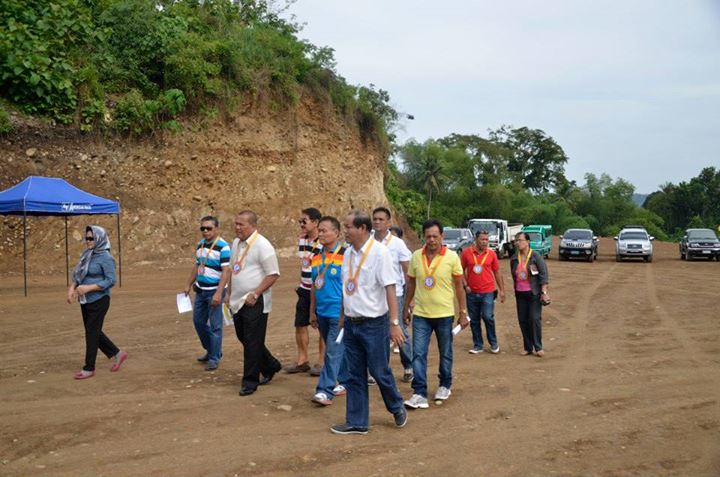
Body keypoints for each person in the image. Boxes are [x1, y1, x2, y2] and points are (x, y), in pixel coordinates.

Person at [330, 210, 408, 435]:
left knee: (379, 370)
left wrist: (394, 323)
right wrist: (344, 315)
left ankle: (396, 406)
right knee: (354, 374)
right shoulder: (347, 254)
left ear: (362, 229)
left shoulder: (380, 253)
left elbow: (390, 288)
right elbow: (348, 287)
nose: (345, 231)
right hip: (353, 324)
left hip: (374, 324)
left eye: (348, 227)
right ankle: (357, 422)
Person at [403, 219, 468, 409]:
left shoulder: (452, 257)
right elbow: (411, 285)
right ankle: (419, 393)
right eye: (428, 236)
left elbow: (459, 287)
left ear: (442, 236)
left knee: (445, 353)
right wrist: (406, 307)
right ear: (424, 236)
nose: (431, 240)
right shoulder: (416, 256)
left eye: (435, 236)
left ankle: (444, 385)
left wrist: (462, 312)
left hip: (444, 314)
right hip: (421, 314)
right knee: (418, 354)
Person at [227, 210, 283, 396]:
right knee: (244, 337)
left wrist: (256, 292)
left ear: (253, 226)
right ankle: (270, 365)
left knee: (252, 341)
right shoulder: (236, 243)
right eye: (236, 224)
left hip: (255, 301)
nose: (237, 228)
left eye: (241, 224)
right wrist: (228, 292)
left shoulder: (263, 245)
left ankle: (250, 381)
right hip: (237, 300)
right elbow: (232, 270)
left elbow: (273, 273)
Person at [67, 225, 127, 380]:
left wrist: (88, 288)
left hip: (99, 300)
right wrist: (72, 288)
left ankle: (89, 368)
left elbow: (111, 280)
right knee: (93, 331)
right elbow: (77, 274)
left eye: (91, 238)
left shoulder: (106, 257)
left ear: (99, 238)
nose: (88, 241)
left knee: (91, 332)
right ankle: (117, 353)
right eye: (86, 238)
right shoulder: (87, 254)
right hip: (85, 300)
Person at [183, 216, 231, 371]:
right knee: (198, 322)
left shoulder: (223, 247)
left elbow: (226, 272)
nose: (205, 231)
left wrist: (219, 293)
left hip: (214, 291)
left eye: (209, 228)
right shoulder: (200, 245)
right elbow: (198, 266)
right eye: (202, 228)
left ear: (217, 229)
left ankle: (214, 357)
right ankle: (212, 350)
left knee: (216, 326)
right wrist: (188, 284)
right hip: (201, 290)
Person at [309, 216, 347, 405]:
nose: (320, 234)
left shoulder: (347, 255)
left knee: (331, 351)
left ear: (336, 233)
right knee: (337, 350)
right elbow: (314, 286)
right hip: (322, 312)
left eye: (324, 231)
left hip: (338, 313)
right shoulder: (316, 257)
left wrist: (346, 312)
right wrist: (312, 311)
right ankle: (347, 380)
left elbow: (351, 286)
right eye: (319, 231)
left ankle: (324, 390)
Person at [372, 207, 413, 383]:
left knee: (398, 330)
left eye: (381, 219)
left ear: (389, 222)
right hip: (374, 296)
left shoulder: (397, 244)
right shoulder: (368, 243)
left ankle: (410, 365)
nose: (377, 222)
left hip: (394, 294)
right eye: (375, 219)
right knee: (376, 333)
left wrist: (409, 300)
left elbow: (407, 272)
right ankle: (380, 371)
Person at [285, 207, 325, 376]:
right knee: (300, 324)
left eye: (304, 221)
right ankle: (303, 360)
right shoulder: (302, 240)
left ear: (315, 222)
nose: (301, 224)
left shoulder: (324, 242)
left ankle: (322, 362)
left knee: (323, 326)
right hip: (304, 289)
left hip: (320, 290)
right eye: (300, 221)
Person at [460, 230, 506, 354]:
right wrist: (465, 285)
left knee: (487, 316)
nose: (485, 242)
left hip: (488, 291)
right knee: (474, 320)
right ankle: (478, 345)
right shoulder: (466, 253)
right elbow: (460, 270)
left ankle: (493, 342)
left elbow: (497, 272)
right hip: (472, 292)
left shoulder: (491, 254)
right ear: (476, 239)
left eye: (487, 239)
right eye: (482, 239)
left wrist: (502, 290)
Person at [510, 232, 550, 357]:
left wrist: (544, 292)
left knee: (534, 319)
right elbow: (514, 276)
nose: (518, 243)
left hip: (534, 293)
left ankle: (538, 347)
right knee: (523, 320)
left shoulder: (535, 256)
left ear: (527, 242)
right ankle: (527, 347)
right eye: (516, 240)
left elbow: (544, 275)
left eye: (520, 240)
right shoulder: (514, 258)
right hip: (520, 293)